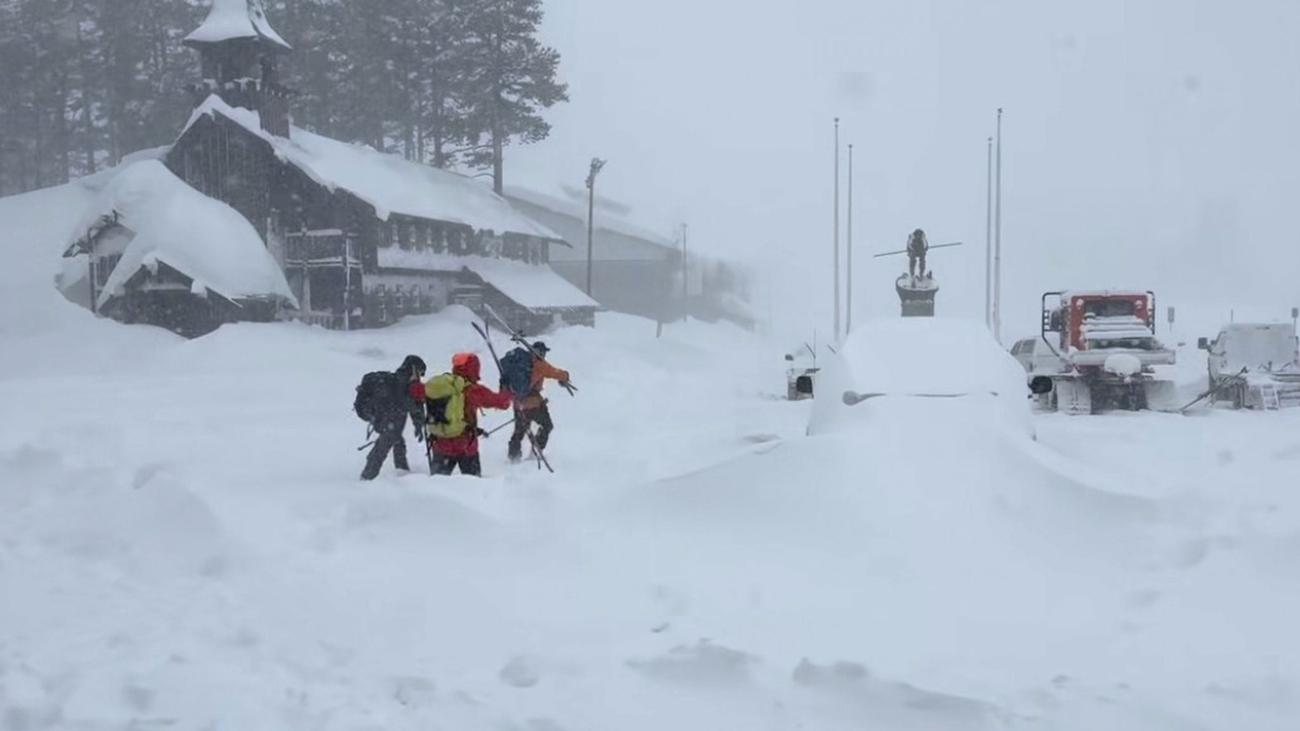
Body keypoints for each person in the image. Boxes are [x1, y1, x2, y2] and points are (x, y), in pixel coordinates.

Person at [426, 352, 512, 476]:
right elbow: (502, 403)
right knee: (474, 487)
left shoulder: (444, 386)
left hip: (440, 444)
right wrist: (505, 388)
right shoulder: (473, 390)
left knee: (435, 486)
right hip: (465, 446)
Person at [360, 355, 427, 481]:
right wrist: (418, 418)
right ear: (414, 369)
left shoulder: (400, 380)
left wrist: (418, 422)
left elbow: (409, 402)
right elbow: (407, 402)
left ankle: (401, 472)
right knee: (384, 445)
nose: (420, 377)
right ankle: (367, 477)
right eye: (420, 372)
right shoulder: (402, 381)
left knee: (397, 441)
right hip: (389, 419)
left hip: (388, 419)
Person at [508, 341, 571, 463]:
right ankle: (535, 453)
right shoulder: (539, 364)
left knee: (519, 432)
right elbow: (555, 373)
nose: (545, 355)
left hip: (518, 403)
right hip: (534, 404)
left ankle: (513, 458)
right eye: (544, 352)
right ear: (540, 352)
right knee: (547, 425)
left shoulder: (520, 363)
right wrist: (566, 376)